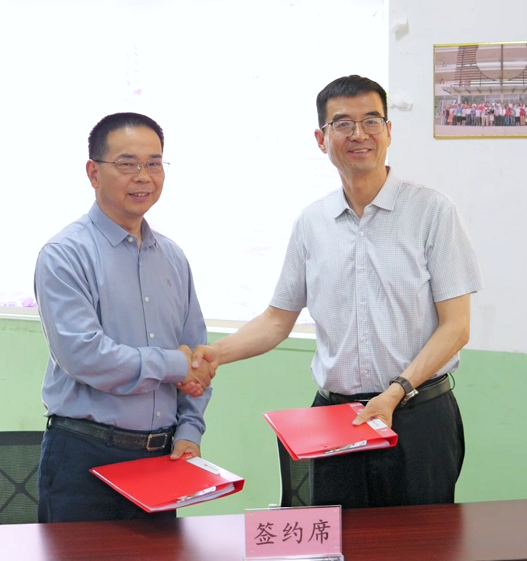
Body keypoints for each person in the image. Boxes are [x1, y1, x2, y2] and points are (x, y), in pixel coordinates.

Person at [193, 75, 483, 509]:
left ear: (389, 131)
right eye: (343, 124)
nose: (359, 134)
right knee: (333, 538)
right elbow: (276, 320)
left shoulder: (432, 212)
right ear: (321, 139)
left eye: (371, 121)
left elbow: (456, 327)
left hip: (416, 416)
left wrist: (396, 390)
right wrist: (214, 355)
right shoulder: (312, 223)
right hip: (333, 421)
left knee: (419, 541)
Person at [34, 112, 214, 523]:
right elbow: (85, 356)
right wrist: (175, 364)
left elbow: (198, 356)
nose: (143, 177)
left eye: (154, 164)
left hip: (163, 457)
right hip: (85, 458)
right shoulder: (64, 255)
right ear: (93, 172)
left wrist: (189, 431)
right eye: (127, 164)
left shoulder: (173, 258)